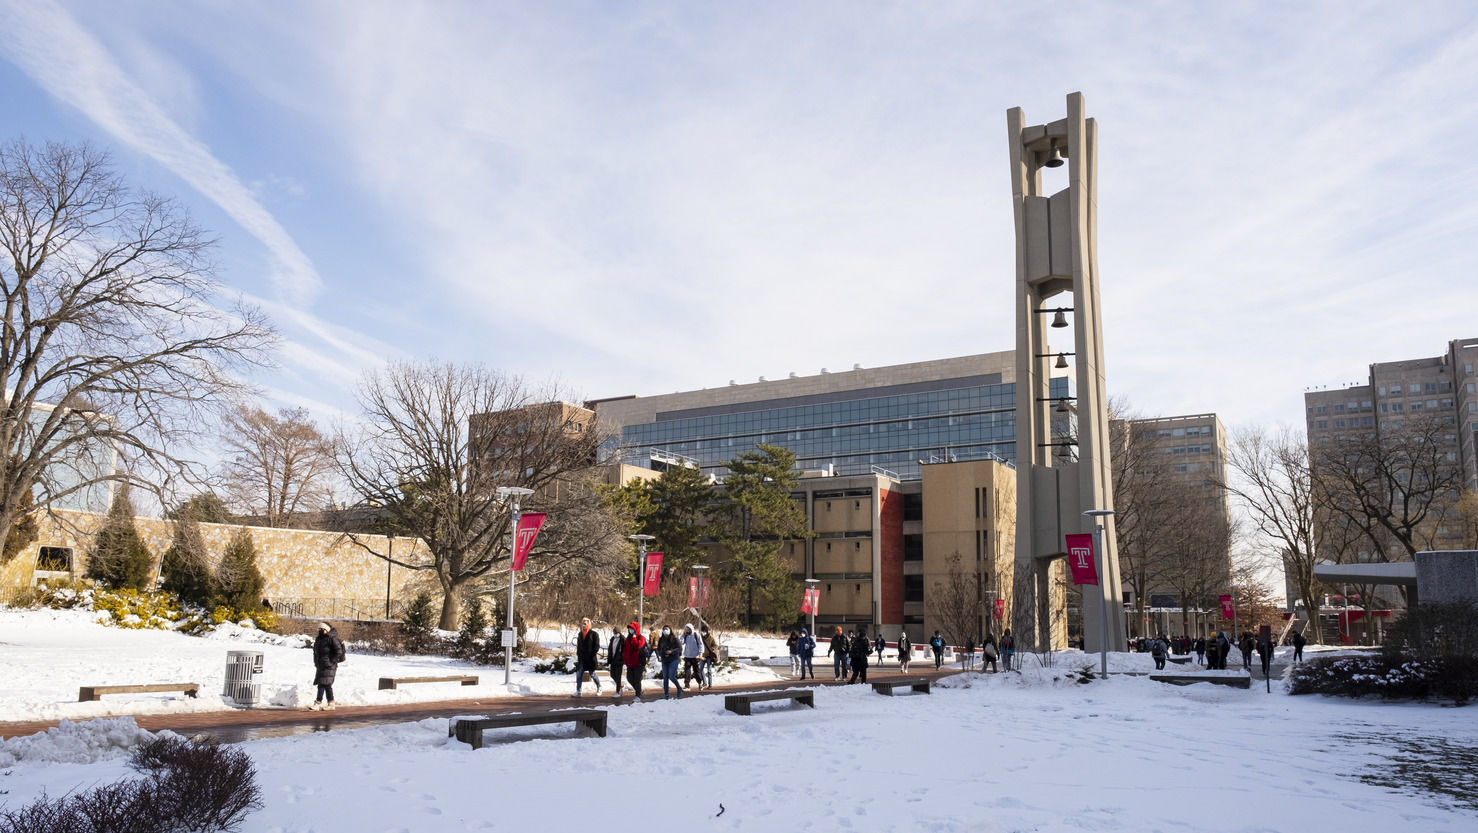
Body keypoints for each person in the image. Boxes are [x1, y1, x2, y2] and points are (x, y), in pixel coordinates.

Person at [310, 622, 345, 710]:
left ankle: (318, 703)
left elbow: (339, 651)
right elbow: (315, 652)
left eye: (322, 629)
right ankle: (331, 703)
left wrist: (331, 662)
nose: (320, 631)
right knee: (327, 685)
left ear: (326, 629)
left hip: (329, 666)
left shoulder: (332, 638)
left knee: (321, 684)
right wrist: (316, 662)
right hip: (321, 665)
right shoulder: (319, 639)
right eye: (319, 629)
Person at [573, 617, 603, 697]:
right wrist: (578, 654)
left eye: (586, 623)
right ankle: (578, 691)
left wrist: (592, 654)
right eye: (583, 623)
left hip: (590, 658)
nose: (584, 625)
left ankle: (599, 686)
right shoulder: (580, 634)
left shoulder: (594, 634)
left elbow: (596, 646)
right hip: (582, 658)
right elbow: (579, 646)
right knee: (579, 674)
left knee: (592, 674)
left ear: (589, 624)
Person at [620, 622, 647, 701]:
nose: (630, 630)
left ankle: (637, 695)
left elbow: (638, 646)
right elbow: (626, 650)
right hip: (630, 663)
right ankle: (639, 690)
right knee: (629, 678)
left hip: (639, 662)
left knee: (637, 679)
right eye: (629, 629)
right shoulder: (628, 639)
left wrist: (634, 638)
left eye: (632, 628)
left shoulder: (641, 638)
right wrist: (625, 659)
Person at [657, 625, 684, 699]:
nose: (665, 630)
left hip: (673, 659)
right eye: (664, 629)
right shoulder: (661, 639)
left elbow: (680, 648)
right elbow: (658, 649)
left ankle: (679, 688)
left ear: (670, 630)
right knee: (665, 677)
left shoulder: (675, 639)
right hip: (664, 660)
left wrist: (671, 651)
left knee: (671, 676)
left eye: (667, 629)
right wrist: (661, 653)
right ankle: (666, 694)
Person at [680, 623, 704, 689]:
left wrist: (700, 653)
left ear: (691, 629)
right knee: (687, 671)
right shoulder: (685, 636)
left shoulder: (696, 635)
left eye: (688, 629)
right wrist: (683, 635)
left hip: (695, 656)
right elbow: (680, 642)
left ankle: (700, 683)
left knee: (696, 671)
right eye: (686, 629)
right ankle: (687, 685)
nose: (687, 630)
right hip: (687, 656)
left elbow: (700, 644)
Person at [607, 625, 626, 698]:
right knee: (612, 674)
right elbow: (610, 649)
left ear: (619, 632)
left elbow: (625, 650)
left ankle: (617, 692)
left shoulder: (622, 639)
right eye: (614, 632)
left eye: (616, 632)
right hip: (613, 660)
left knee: (618, 676)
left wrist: (623, 659)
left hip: (619, 660)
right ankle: (620, 684)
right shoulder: (612, 639)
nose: (614, 633)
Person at [700, 624, 719, 689]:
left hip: (709, 656)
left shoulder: (711, 637)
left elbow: (716, 645)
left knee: (709, 670)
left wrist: (713, 649)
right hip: (702, 656)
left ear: (707, 631)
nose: (703, 633)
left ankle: (710, 684)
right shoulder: (700, 637)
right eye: (702, 631)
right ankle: (704, 682)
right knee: (700, 669)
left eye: (704, 631)